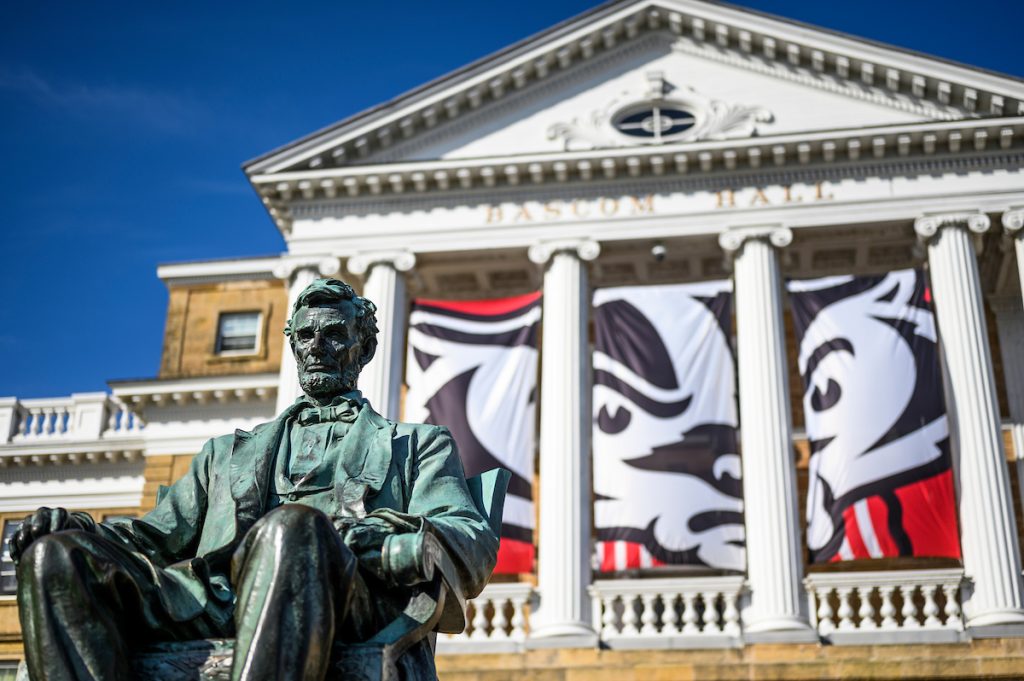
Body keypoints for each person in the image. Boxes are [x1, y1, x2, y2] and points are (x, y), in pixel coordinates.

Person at [10, 278, 499, 681]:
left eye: (334, 335)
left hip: (345, 598)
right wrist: (78, 527)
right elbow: (150, 537)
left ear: (364, 346)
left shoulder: (416, 443)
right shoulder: (227, 454)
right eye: (305, 337)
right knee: (55, 557)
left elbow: (469, 535)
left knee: (291, 527)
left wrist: (393, 538)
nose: (318, 349)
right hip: (213, 596)